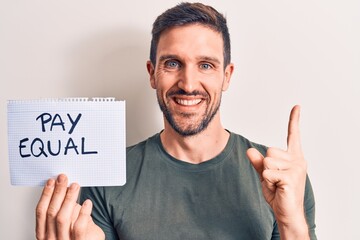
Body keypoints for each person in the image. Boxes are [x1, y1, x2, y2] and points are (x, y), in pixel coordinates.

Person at [35, 2, 316, 240]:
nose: (188, 84)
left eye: (206, 65)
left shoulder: (280, 177)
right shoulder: (105, 180)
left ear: (227, 76)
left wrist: (291, 222)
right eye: (172, 64)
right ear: (152, 73)